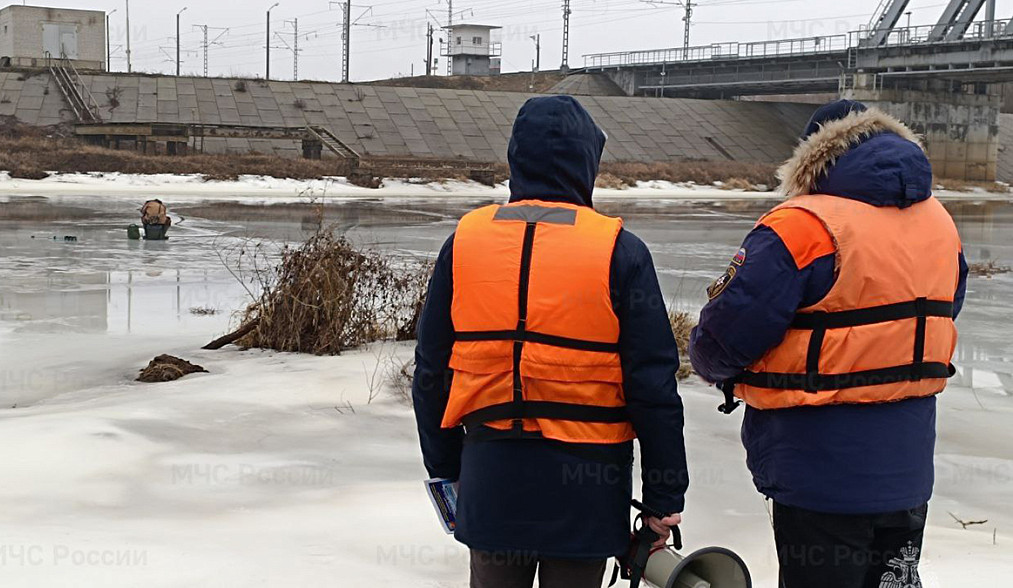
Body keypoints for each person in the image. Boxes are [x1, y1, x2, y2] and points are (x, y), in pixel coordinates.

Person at [689, 100, 969, 588]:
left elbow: (725, 335)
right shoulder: (940, 226)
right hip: (907, 470)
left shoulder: (801, 226)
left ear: (812, 154)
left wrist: (711, 367)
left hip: (817, 472)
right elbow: (944, 311)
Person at [412, 95, 688, 588]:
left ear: (516, 158)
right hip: (586, 490)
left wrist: (447, 468)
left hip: (492, 477)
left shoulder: (464, 242)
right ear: (589, 162)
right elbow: (653, 387)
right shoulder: (620, 250)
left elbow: (432, 370)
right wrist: (664, 498)